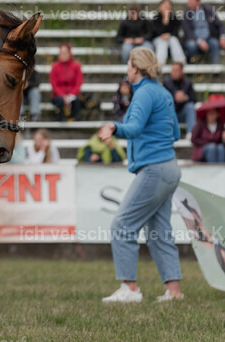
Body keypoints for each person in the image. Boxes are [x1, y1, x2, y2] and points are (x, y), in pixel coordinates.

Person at [98, 47, 183, 303]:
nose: (127, 68)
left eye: (128, 64)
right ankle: (174, 292)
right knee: (159, 231)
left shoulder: (144, 93)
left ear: (135, 68)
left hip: (154, 169)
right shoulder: (163, 92)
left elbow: (134, 128)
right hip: (170, 167)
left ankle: (130, 289)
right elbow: (176, 133)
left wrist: (114, 127)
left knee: (122, 225)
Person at [182, 0, 225, 64]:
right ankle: (194, 68)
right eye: (189, 1)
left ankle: (216, 69)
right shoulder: (186, 14)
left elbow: (219, 25)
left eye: (191, 2)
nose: (189, 4)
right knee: (191, 45)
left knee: (215, 43)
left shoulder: (208, 11)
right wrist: (199, 41)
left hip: (209, 38)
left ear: (198, 2)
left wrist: (223, 37)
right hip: (194, 39)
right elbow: (187, 31)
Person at [161, 62, 197, 137]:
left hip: (182, 114)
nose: (174, 73)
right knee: (169, 106)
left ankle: (191, 134)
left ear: (182, 71)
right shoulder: (166, 82)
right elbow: (162, 100)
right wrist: (174, 97)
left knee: (190, 106)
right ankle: (168, 134)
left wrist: (185, 97)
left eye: (176, 70)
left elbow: (193, 98)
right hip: (171, 113)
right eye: (173, 70)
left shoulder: (188, 82)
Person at [50, 43, 83, 121]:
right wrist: (63, 96)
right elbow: (54, 85)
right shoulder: (55, 67)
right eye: (61, 53)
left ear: (69, 54)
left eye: (65, 53)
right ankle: (59, 121)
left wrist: (70, 95)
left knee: (76, 102)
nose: (63, 55)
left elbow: (78, 83)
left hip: (73, 95)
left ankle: (74, 120)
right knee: (60, 101)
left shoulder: (76, 66)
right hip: (58, 95)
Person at [148, 0, 185, 65]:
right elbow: (157, 32)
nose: (167, 8)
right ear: (160, 7)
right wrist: (165, 20)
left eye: (168, 6)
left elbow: (176, 32)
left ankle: (179, 61)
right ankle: (160, 62)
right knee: (163, 41)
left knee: (173, 39)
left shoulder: (174, 18)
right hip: (158, 40)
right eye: (165, 5)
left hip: (171, 39)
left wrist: (169, 35)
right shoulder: (156, 18)